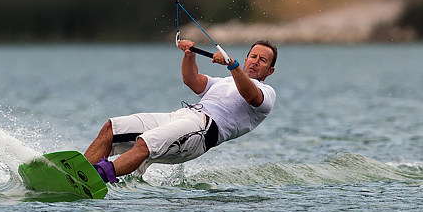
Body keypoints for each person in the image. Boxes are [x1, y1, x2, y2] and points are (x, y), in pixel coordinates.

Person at [84, 39, 278, 183]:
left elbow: (251, 96)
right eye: (253, 57)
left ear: (270, 71)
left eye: (262, 60)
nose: (255, 62)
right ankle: (77, 171)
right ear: (246, 59)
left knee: (146, 143)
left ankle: (96, 178)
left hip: (204, 130)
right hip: (182, 116)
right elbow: (191, 80)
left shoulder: (267, 93)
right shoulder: (224, 82)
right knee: (111, 128)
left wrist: (232, 66)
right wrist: (189, 55)